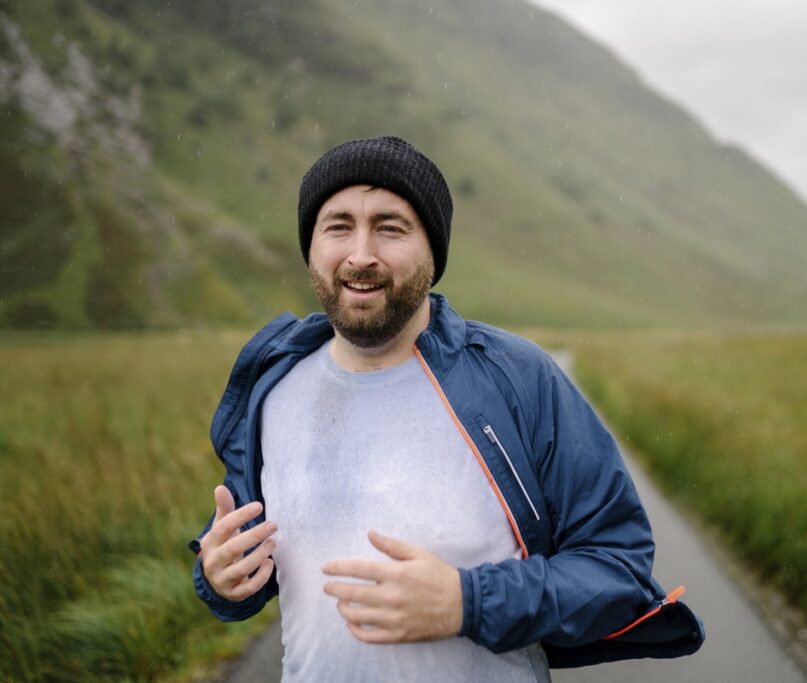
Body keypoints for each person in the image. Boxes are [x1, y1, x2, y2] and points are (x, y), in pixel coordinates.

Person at [189, 135, 704, 681]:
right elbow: (254, 568)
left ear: (433, 252)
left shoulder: (518, 379)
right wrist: (220, 578)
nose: (361, 254)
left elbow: (617, 568)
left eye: (390, 228)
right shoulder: (273, 384)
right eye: (338, 226)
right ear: (311, 246)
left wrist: (468, 602)